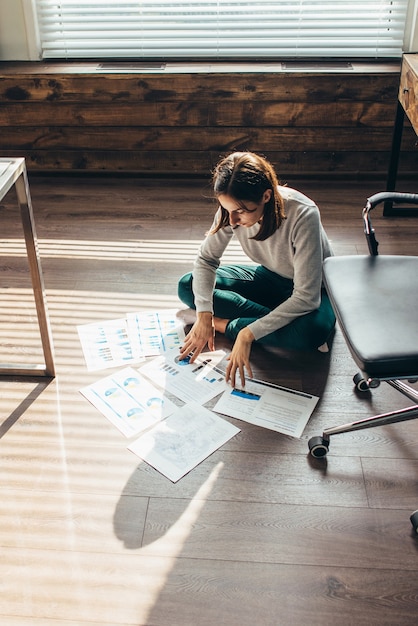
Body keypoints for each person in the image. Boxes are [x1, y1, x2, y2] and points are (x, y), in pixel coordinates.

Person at [177, 151, 336, 388]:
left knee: (312, 333)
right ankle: (276, 322)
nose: (231, 220)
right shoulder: (232, 208)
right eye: (226, 209)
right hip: (271, 277)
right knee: (188, 285)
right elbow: (206, 260)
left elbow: (307, 297)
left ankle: (226, 324)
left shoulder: (304, 214)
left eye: (240, 211)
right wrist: (203, 316)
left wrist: (246, 332)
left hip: (316, 290)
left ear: (266, 196)